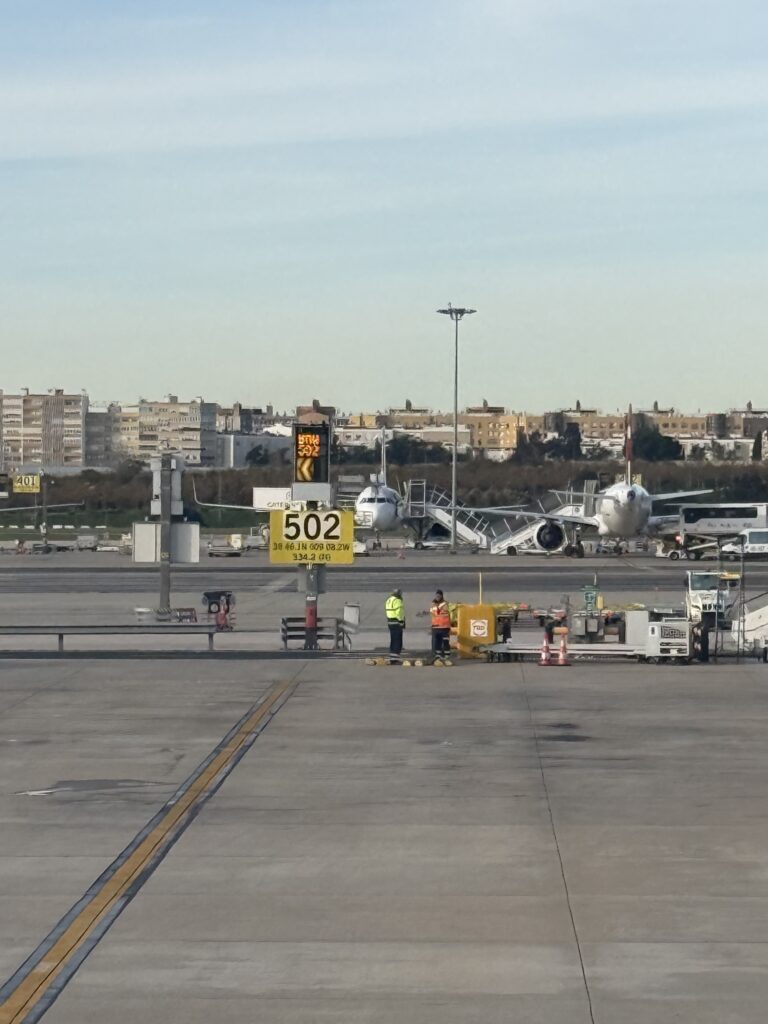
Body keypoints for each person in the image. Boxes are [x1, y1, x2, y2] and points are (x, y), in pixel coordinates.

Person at [385, 588, 405, 662]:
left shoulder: (389, 600)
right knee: (398, 640)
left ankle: (392, 656)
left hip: (390, 622)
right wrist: (401, 622)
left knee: (393, 639)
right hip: (396, 622)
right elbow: (399, 612)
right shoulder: (397, 600)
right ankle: (396, 657)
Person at [430, 589, 451, 659]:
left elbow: (445, 612)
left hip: (444, 626)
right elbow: (432, 614)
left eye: (439, 595)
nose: (437, 597)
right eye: (437, 595)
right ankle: (438, 656)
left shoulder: (445, 604)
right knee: (437, 642)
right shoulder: (433, 604)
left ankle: (447, 656)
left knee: (445, 642)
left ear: (442, 596)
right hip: (436, 627)